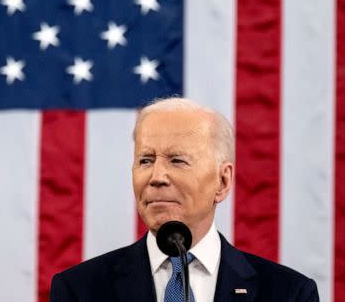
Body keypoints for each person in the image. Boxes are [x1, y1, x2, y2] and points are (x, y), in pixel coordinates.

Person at [50, 97, 319, 301]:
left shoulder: (289, 293)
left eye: (177, 160)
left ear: (222, 181)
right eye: (146, 160)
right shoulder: (78, 290)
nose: (156, 177)